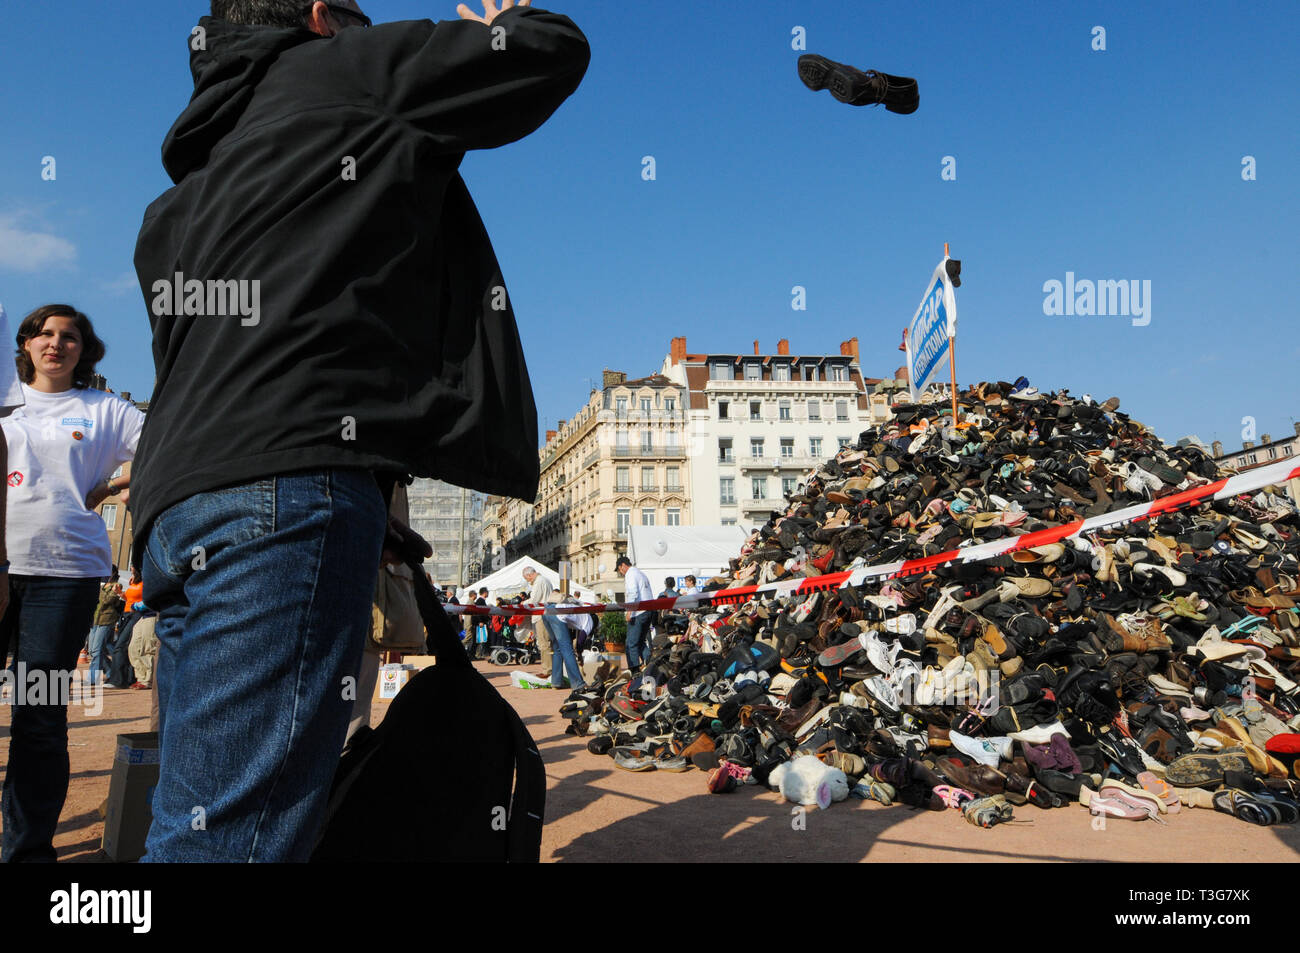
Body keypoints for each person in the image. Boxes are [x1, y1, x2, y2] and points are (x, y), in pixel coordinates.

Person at [129, 0, 587, 861]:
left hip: (174, 505)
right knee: (239, 839)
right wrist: (510, 17)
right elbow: (548, 54)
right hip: (285, 485)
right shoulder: (340, 70)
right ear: (318, 16)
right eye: (358, 14)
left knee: (192, 814)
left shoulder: (183, 190)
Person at [0, 303, 145, 863]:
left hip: (66, 574)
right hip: (1, 559)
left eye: (70, 337)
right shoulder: (5, 401)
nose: (55, 344)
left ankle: (28, 852)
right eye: (44, 334)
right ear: (26, 343)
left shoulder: (106, 409)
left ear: (86, 351)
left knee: (41, 713)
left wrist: (113, 486)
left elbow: (168, 444)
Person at [616, 555, 655, 673]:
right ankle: (651, 664)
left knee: (630, 643)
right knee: (640, 641)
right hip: (648, 610)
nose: (620, 572)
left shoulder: (630, 574)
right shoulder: (640, 573)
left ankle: (634, 671)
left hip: (638, 612)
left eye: (619, 569)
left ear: (623, 565)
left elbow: (633, 593)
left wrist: (629, 612)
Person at [86, 580, 125, 686]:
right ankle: (110, 672)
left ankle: (93, 678)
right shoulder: (101, 587)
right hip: (95, 620)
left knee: (97, 650)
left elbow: (106, 601)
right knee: (92, 651)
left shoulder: (116, 585)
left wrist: (112, 592)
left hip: (106, 621)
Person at [521, 566, 556, 674]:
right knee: (548, 642)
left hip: (541, 615)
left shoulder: (538, 582)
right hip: (547, 614)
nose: (528, 581)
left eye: (527, 579)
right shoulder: (546, 580)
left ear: (529, 575)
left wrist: (523, 603)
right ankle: (550, 669)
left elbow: (534, 600)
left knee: (543, 643)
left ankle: (548, 670)